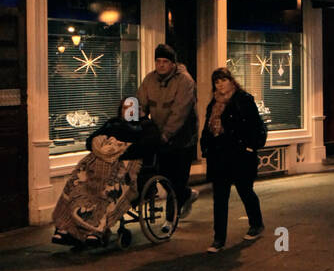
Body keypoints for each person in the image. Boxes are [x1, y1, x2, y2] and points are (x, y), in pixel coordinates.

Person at [51, 97, 158, 246]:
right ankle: (64, 228)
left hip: (124, 167)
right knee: (75, 184)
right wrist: (101, 148)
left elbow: (145, 147)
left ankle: (95, 230)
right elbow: (91, 141)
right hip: (96, 167)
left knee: (108, 190)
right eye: (125, 108)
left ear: (141, 111)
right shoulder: (113, 123)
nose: (129, 111)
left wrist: (118, 151)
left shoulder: (147, 127)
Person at [200, 67, 267, 253]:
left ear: (231, 81)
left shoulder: (243, 100)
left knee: (245, 191)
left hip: (239, 155)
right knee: (220, 199)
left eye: (223, 80)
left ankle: (256, 223)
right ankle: (218, 239)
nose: (220, 84)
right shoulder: (213, 103)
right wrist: (205, 147)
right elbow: (207, 128)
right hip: (219, 156)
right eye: (216, 81)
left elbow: (254, 127)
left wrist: (249, 147)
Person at [138, 44, 199, 219]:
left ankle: (170, 220)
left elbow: (179, 112)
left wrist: (166, 134)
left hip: (183, 137)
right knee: (164, 176)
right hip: (160, 136)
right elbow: (141, 102)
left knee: (177, 180)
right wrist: (138, 122)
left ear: (173, 63)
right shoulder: (150, 80)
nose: (161, 65)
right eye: (158, 61)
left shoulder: (185, 81)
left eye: (165, 61)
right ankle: (187, 195)